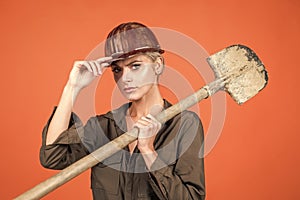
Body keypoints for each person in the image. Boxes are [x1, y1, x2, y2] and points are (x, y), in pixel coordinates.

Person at [40, 22, 205, 200]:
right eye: (117, 69)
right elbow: (52, 156)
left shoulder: (185, 125)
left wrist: (148, 151)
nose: (125, 78)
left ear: (158, 65)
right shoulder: (103, 126)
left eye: (135, 66)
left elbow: (191, 198)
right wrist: (72, 87)